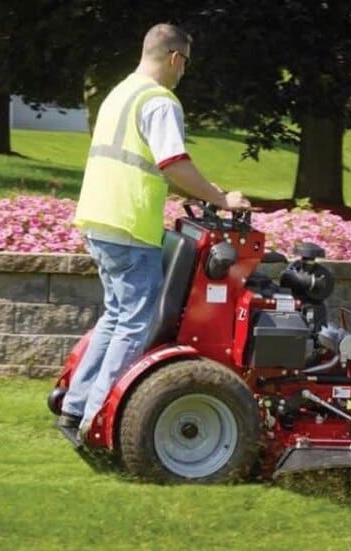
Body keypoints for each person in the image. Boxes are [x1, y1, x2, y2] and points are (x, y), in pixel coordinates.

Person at [59, 23, 250, 434]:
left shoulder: (122, 91)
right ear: (175, 58)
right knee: (135, 321)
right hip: (129, 223)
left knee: (116, 316)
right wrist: (223, 200)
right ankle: (97, 420)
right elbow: (174, 163)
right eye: (186, 65)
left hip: (98, 217)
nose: (184, 73)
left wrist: (206, 190)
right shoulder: (161, 100)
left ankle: (76, 407)